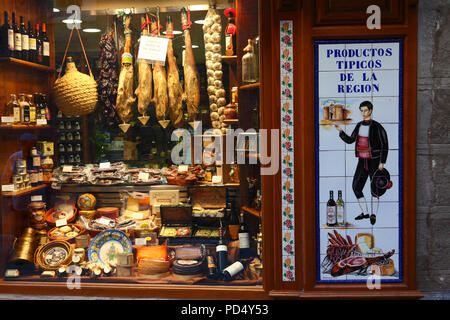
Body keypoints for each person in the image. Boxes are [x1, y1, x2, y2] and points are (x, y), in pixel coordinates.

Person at [334, 101, 388, 225]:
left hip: (374, 161)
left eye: (365, 110)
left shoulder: (377, 127)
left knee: (375, 188)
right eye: (361, 110)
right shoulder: (359, 125)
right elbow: (351, 140)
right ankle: (365, 213)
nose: (363, 113)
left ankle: (373, 214)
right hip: (362, 161)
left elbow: (385, 144)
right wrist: (341, 132)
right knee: (356, 187)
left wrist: (382, 162)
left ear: (370, 111)